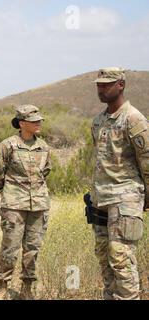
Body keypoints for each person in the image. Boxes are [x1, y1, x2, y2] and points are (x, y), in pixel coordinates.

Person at [90, 67, 148, 300]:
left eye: (106, 84)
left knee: (121, 257)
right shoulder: (98, 121)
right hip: (101, 198)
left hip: (125, 198)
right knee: (104, 256)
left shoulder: (134, 119)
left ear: (121, 85)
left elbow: (147, 160)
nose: (101, 88)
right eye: (99, 84)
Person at [0, 105, 51, 300]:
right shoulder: (8, 145)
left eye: (39, 120)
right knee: (10, 246)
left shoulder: (44, 147)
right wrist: (6, 191)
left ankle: (27, 288)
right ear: (23, 123)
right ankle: (2, 286)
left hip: (39, 204)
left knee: (33, 247)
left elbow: (46, 171)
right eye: (34, 121)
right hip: (14, 204)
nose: (39, 123)